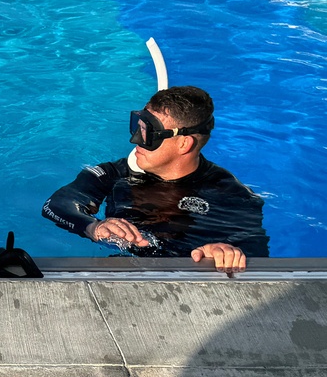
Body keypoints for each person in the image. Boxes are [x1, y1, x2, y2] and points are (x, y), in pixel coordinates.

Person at [42, 86, 268, 273]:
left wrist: (228, 252)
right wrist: (92, 226)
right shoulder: (115, 174)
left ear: (183, 143)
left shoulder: (229, 193)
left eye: (148, 133)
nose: (135, 140)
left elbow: (255, 248)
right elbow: (55, 205)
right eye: (137, 126)